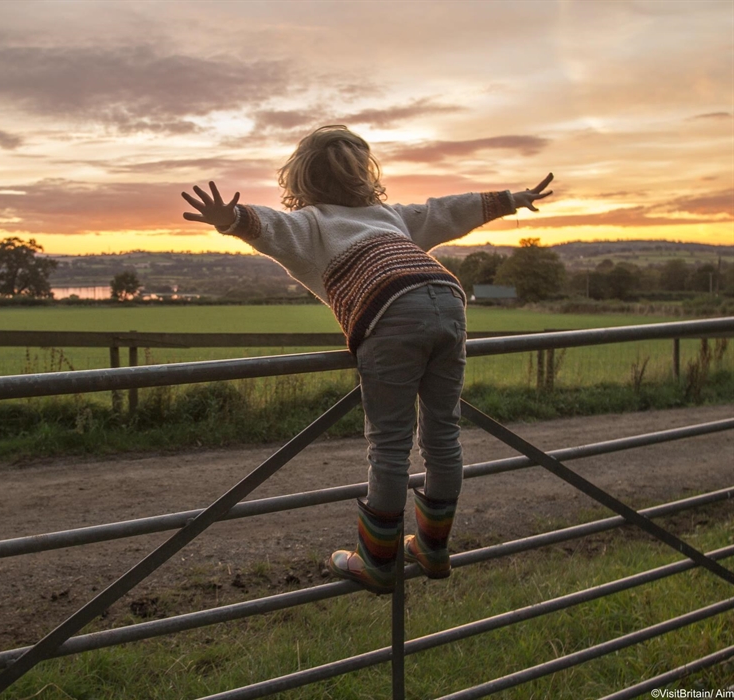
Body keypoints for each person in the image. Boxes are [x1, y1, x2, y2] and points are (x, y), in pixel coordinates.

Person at [182, 125, 553, 594]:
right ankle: (434, 550)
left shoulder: (311, 224)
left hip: (389, 307)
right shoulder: (391, 215)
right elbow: (446, 211)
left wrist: (228, 217)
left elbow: (267, 225)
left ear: (298, 179)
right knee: (443, 434)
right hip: (447, 298)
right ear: (364, 173)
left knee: (390, 445)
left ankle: (379, 560)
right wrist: (512, 197)